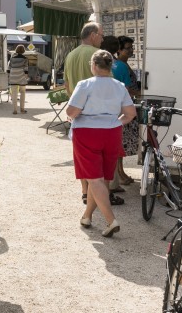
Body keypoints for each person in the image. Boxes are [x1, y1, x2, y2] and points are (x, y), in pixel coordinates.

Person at [66, 50, 137, 237]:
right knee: (101, 177)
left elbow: (71, 111)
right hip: (112, 132)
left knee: (93, 178)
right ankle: (87, 216)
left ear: (94, 65)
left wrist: (76, 115)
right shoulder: (119, 86)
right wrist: (115, 122)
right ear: (110, 66)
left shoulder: (85, 84)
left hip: (87, 132)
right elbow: (130, 114)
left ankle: (110, 220)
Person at [64, 22, 125, 206]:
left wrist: (75, 107)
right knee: (103, 161)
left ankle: (85, 192)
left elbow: (67, 84)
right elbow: (110, 87)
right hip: (99, 119)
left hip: (78, 117)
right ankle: (104, 195)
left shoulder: (71, 55)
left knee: (84, 161)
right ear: (92, 35)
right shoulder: (96, 55)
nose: (102, 38)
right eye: (101, 35)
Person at [100, 36, 126, 194]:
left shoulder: (88, 81)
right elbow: (129, 110)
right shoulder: (120, 66)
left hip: (94, 122)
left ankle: (93, 190)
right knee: (113, 152)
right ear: (117, 49)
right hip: (114, 117)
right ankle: (113, 185)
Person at [112, 36, 139, 184]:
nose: (130, 51)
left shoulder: (121, 65)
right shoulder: (121, 65)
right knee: (119, 143)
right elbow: (127, 89)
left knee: (120, 144)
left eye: (131, 48)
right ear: (119, 50)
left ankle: (120, 172)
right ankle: (119, 174)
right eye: (127, 48)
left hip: (122, 107)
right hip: (123, 108)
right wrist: (141, 93)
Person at [8, 45, 29, 114]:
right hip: (21, 76)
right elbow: (26, 69)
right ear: (23, 51)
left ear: (16, 50)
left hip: (13, 76)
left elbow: (9, 68)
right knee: (22, 92)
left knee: (14, 93)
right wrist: (26, 76)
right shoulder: (25, 59)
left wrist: (9, 76)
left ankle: (15, 110)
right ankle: (22, 109)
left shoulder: (12, 58)